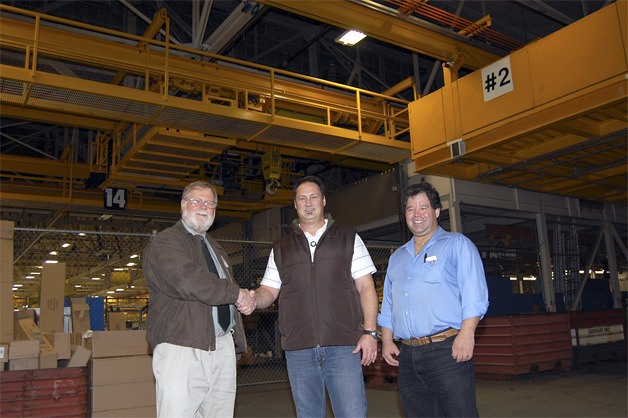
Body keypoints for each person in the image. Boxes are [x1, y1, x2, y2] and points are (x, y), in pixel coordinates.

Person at [253, 175, 379, 418]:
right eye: (302, 198)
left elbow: (366, 287)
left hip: (344, 348)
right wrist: (252, 299)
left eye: (313, 197)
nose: (308, 203)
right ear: (295, 204)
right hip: (299, 350)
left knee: (352, 414)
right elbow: (268, 291)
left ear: (323, 201)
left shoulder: (348, 239)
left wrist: (370, 332)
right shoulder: (280, 248)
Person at [143, 180, 256, 418]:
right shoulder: (166, 242)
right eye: (196, 201)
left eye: (209, 203)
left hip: (221, 345)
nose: (203, 207)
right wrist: (238, 294)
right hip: (182, 345)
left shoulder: (216, 248)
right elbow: (188, 281)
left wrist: (243, 301)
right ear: (183, 204)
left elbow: (223, 289)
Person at [378, 182, 489, 417]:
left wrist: (467, 333)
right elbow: (389, 303)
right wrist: (387, 340)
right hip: (408, 355)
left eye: (423, 207)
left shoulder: (457, 245)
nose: (416, 214)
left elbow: (475, 293)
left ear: (437, 211)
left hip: (446, 350)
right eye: (410, 209)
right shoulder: (397, 257)